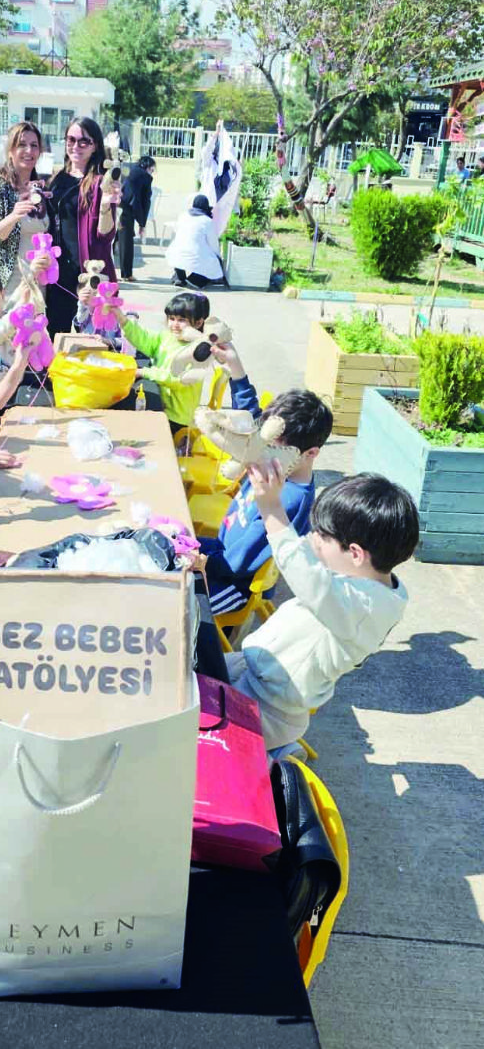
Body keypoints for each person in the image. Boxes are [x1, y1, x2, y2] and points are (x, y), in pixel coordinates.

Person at [226, 470, 419, 753]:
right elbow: (313, 566)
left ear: (356, 554)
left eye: (323, 536)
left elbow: (304, 573)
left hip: (267, 708)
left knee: (193, 733)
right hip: (252, 671)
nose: (313, 539)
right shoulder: (367, 580)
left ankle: (267, 761)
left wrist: (271, 507)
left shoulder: (362, 608)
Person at [199, 379, 333, 617]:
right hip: (220, 553)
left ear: (310, 453)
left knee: (178, 607)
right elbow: (251, 418)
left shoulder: (287, 500)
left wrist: (202, 562)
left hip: (232, 585)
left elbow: (238, 563)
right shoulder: (273, 470)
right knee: (167, 539)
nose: (259, 453)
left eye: (270, 448)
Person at [46, 118, 122, 334]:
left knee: (92, 341)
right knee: (56, 336)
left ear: (95, 145)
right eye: (71, 139)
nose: (76, 146)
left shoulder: (101, 182)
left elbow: (105, 235)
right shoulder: (56, 179)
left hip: (89, 273)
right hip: (59, 275)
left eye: (84, 141)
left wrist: (106, 204)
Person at [115, 291, 210, 432]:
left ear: (198, 323)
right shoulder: (168, 337)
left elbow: (177, 379)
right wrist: (122, 319)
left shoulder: (199, 351)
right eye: (172, 318)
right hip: (162, 402)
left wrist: (144, 372)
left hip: (176, 416)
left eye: (182, 320)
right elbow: (145, 340)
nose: (175, 324)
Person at [0, 122, 50, 293]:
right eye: (22, 145)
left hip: (36, 284)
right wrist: (14, 215)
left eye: (34, 145)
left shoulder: (40, 188)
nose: (29, 151)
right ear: (10, 150)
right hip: (5, 285)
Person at [166, 194, 224, 289]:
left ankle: (179, 277)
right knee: (214, 263)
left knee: (181, 254)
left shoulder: (183, 216)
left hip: (175, 253)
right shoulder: (207, 221)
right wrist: (218, 256)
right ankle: (195, 280)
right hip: (193, 255)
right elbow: (213, 243)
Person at [119, 155, 155, 281]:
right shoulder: (146, 177)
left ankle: (107, 273)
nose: (152, 173)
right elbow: (145, 201)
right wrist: (142, 224)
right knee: (126, 242)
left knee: (111, 241)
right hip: (126, 209)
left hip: (113, 204)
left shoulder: (127, 168)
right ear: (148, 167)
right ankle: (126, 274)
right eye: (152, 170)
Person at [72, 282, 121, 349]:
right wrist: (82, 302)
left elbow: (125, 341)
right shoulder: (86, 316)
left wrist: (108, 341)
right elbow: (80, 317)